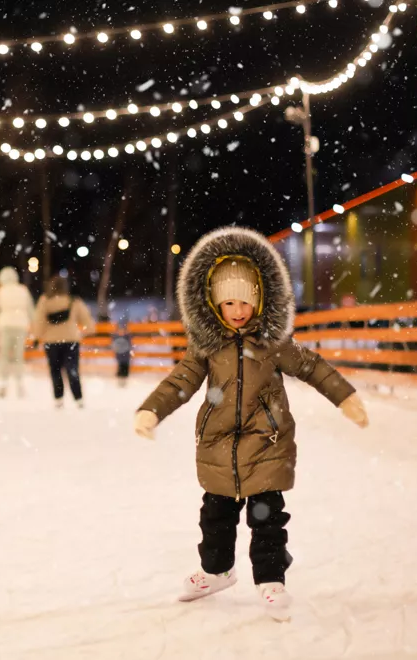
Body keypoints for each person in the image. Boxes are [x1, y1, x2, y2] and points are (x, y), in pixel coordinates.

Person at [132, 226, 369, 620]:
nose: (239, 310)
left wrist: (345, 396)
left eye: (246, 301)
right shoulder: (206, 346)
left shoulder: (273, 342)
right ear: (213, 304)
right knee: (215, 517)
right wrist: (151, 409)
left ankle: (271, 580)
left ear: (259, 300)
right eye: (229, 303)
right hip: (218, 445)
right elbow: (181, 381)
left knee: (268, 517)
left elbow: (311, 366)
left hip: (267, 441)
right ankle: (216, 571)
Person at [31, 275, 94, 408]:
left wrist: (36, 337)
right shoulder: (73, 301)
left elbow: (39, 321)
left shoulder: (45, 301)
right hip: (71, 340)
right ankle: (78, 399)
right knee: (73, 369)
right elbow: (87, 320)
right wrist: (85, 332)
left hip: (51, 341)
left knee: (55, 370)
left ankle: (58, 398)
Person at [0, 267, 35, 398]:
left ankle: (3, 384)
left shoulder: (0, 291)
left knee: (4, 356)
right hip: (21, 325)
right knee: (18, 356)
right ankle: (20, 384)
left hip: (5, 325)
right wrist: (35, 325)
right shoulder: (23, 290)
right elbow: (30, 310)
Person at [111, 319, 133, 388]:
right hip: (120, 357)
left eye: (122, 329)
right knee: (120, 368)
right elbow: (114, 343)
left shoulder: (127, 337)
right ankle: (120, 381)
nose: (121, 331)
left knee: (125, 368)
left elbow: (129, 343)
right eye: (120, 329)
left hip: (126, 357)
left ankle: (124, 381)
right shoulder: (116, 337)